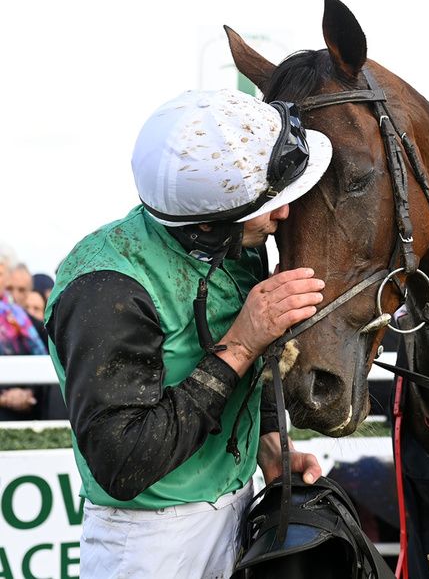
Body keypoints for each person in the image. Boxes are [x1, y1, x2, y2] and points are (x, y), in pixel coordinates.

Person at [44, 89, 332, 577]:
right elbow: (124, 464)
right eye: (269, 204)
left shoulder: (237, 247)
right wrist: (240, 345)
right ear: (207, 223)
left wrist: (270, 447)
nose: (284, 216)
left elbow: (252, 366)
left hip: (237, 507)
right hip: (148, 542)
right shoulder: (103, 287)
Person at [0, 244, 47, 420]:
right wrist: (3, 399)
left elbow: (45, 363)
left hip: (26, 415)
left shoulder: (28, 322)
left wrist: (28, 393)